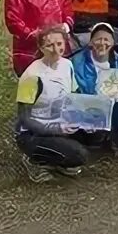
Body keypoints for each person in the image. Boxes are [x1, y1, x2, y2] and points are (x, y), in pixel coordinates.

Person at [15, 26, 89, 182]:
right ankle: (34, 160)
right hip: (33, 133)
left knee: (96, 135)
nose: (56, 49)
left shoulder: (67, 65)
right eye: (49, 45)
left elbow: (72, 96)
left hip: (60, 121)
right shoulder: (31, 76)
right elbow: (24, 119)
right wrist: (56, 130)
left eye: (59, 44)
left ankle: (57, 159)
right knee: (79, 155)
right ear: (41, 47)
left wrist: (87, 117)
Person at [69, 22, 118, 157]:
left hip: (113, 108)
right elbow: (74, 91)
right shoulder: (76, 62)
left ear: (113, 43)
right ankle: (94, 137)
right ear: (91, 42)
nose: (102, 43)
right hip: (88, 107)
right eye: (98, 39)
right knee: (93, 143)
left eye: (106, 39)